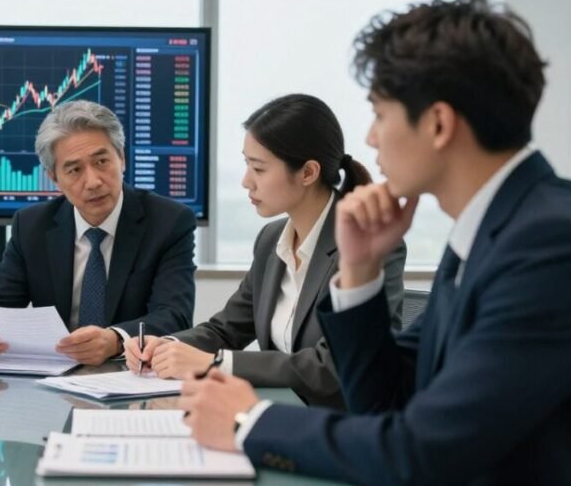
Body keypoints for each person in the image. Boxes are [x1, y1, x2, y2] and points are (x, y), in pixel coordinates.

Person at [179, 0, 571, 485]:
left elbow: (426, 451)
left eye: (379, 114)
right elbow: (383, 400)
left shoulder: (552, 246)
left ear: (438, 124)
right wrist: (360, 272)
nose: (370, 138)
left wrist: (249, 421)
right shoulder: (491, 231)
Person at [124, 94, 406, 408]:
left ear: (308, 173)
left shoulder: (369, 246)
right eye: (247, 164)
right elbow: (226, 329)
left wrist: (217, 363)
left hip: (340, 425)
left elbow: (333, 366)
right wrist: (166, 346)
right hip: (279, 412)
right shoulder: (272, 240)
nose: (246, 182)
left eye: (258, 169)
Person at [0, 100, 196, 365]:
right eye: (74, 170)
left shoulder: (169, 221)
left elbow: (174, 315)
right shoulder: (32, 225)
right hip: (55, 377)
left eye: (102, 161)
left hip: (133, 374)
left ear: (122, 158)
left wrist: (116, 340)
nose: (93, 182)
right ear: (54, 178)